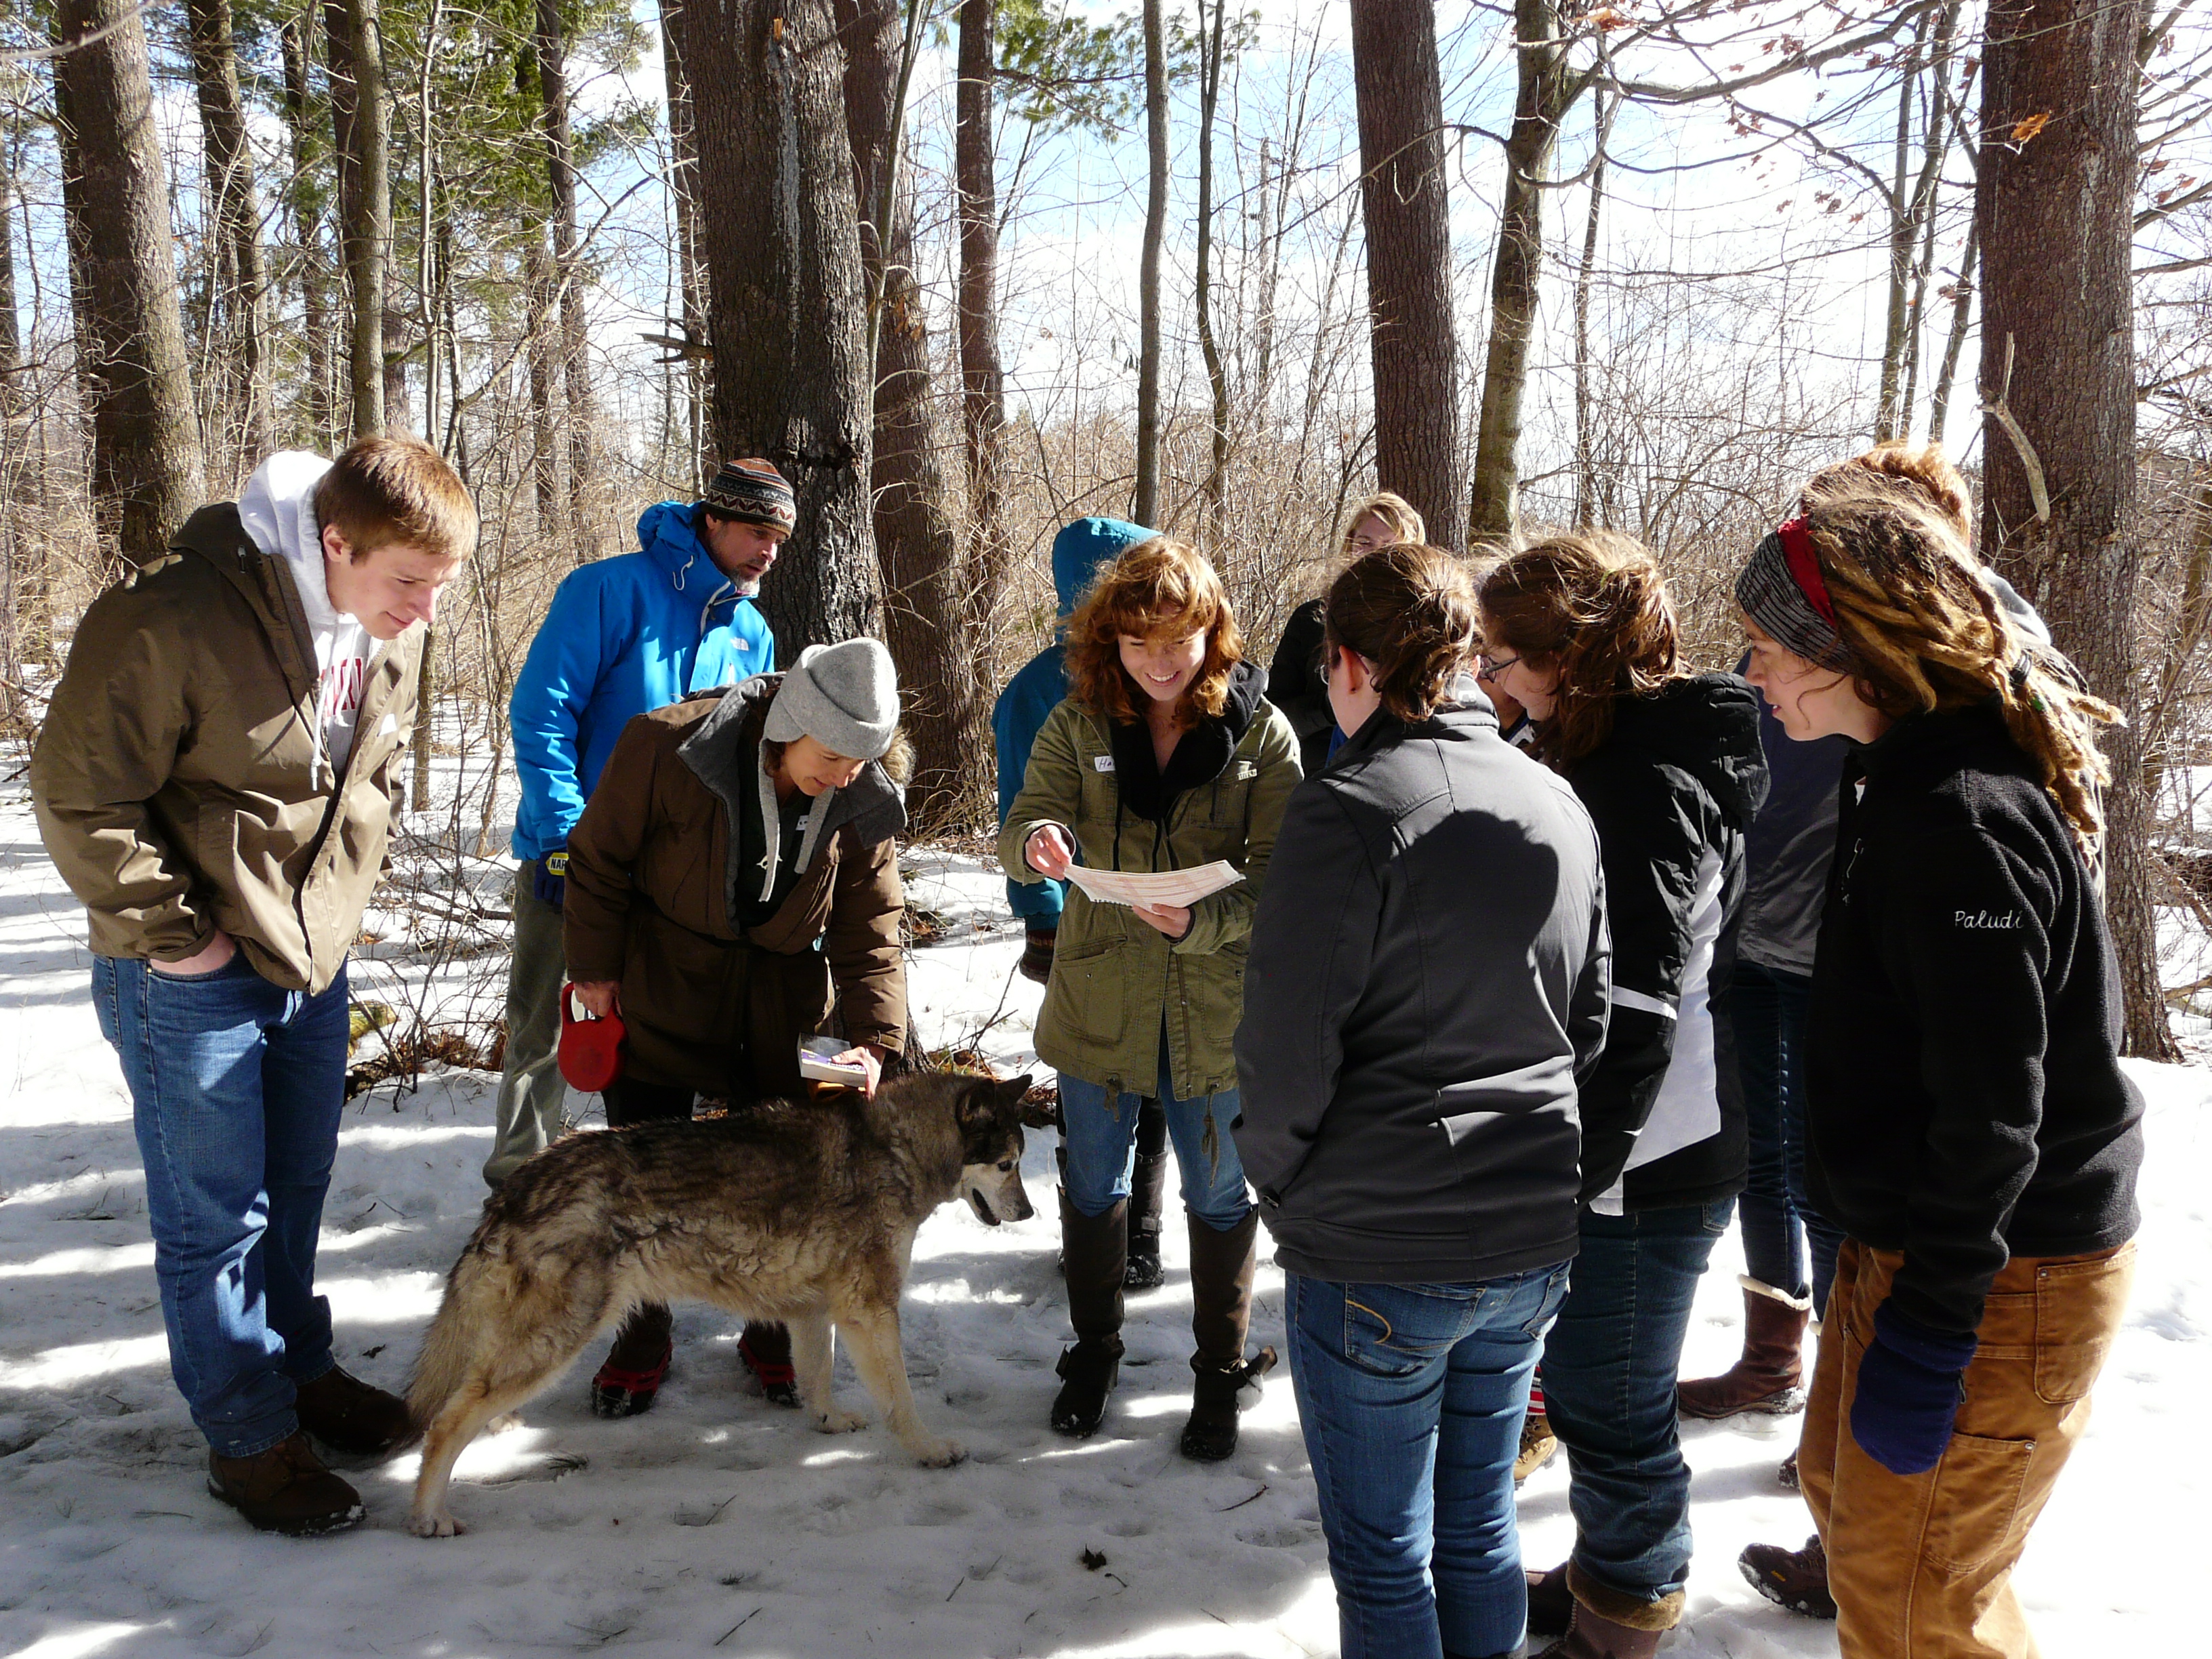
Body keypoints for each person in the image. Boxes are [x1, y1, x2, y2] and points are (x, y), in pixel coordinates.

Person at [30, 437, 477, 1534]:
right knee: (217, 1216)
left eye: (441, 585)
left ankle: (298, 1371)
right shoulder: (174, 615)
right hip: (184, 971)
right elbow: (78, 793)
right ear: (335, 542)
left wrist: (336, 918)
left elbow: (365, 778)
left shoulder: (390, 624)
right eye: (407, 582)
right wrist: (177, 936)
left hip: (308, 961)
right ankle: (246, 1435)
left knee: (297, 1185)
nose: (425, 610)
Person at [1729, 478, 2142, 1659]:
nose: (1753, 674)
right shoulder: (1892, 767)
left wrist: (1935, 1327)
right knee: (1851, 1512)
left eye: (1770, 649)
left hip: (2004, 1267)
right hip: (1910, 1237)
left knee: (1913, 1602)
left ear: (1851, 653)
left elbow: (1993, 1110)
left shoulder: (1958, 820)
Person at [1235, 544, 1610, 1659]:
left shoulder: (1346, 808)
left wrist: (1280, 1184)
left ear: (1349, 664)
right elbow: (1589, 1023)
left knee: (1385, 1555)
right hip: (1528, 1227)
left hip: (1380, 1243)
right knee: (1477, 1525)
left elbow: (1285, 1048)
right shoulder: (1556, 799)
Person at [1479, 535, 1767, 1659]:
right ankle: (1601, 1568)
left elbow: (1641, 1006)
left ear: (1571, 657)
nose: (1491, 677)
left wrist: (1579, 1177)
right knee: (1587, 1380)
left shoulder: (1645, 781)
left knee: (1613, 1399)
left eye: (1505, 657)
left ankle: (1626, 1616)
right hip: (1616, 1142)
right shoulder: (1607, 752)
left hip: (1651, 1152)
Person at [999, 535, 1300, 1458]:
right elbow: (1026, 819)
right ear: (1109, 642)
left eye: (1179, 641)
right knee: (1093, 1185)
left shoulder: (1261, 732)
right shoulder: (1077, 722)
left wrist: (1203, 923)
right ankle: (1094, 1351)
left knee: (1219, 1193)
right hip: (1101, 999)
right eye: (1138, 645)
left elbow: (1288, 878)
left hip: (1216, 1010)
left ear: (1214, 633)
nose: (1160, 663)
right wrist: (1039, 844)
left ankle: (1219, 1369)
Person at [560, 638, 911, 1418]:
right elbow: (598, 859)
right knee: (646, 1179)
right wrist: (595, 971)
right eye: (831, 756)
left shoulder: (861, 795)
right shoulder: (666, 746)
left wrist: (874, 1039)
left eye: (860, 762)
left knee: (780, 1184)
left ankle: (772, 1328)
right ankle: (641, 1334)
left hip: (781, 1001)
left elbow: (871, 925)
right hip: (665, 978)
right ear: (790, 726)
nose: (844, 776)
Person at [485, 459, 785, 1189]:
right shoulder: (606, 590)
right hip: (573, 855)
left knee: (659, 1043)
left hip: (677, 881)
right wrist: (562, 839)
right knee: (543, 1030)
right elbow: (542, 714)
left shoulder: (752, 631)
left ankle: (647, 1195)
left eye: (779, 539)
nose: (769, 551)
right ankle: (521, 1189)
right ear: (712, 519)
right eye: (756, 532)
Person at [992, 518, 1176, 1291]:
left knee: (1160, 1069)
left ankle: (1145, 1229)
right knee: (1091, 1076)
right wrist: (1041, 916)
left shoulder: (1163, 671)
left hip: (1164, 916)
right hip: (1080, 920)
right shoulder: (1039, 690)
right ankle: (1093, 1233)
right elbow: (1022, 809)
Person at [1268, 491, 1425, 774]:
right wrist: (1335, 704)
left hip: (1394, 773)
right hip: (1314, 777)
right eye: (1365, 543)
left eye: (1390, 548)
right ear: (1349, 545)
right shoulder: (1312, 619)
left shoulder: (1422, 626)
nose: (1374, 556)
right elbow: (1274, 716)